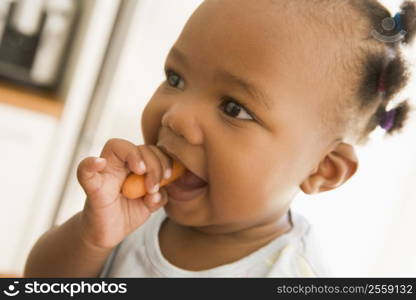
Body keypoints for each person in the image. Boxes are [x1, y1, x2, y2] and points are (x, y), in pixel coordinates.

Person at [24, 0, 416, 277]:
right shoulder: (138, 212)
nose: (176, 117)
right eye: (176, 78)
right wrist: (93, 238)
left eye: (234, 108)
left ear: (323, 170)